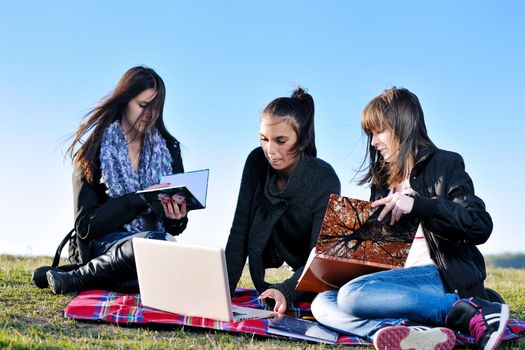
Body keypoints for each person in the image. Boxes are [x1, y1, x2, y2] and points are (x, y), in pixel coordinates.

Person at [311, 87, 509, 350]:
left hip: (441, 276)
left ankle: (465, 309)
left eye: (378, 131)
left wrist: (419, 205)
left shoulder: (445, 164)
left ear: (403, 126)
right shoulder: (382, 181)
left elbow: (479, 224)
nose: (373, 142)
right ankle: (401, 332)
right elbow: (381, 249)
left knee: (350, 297)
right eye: (371, 134)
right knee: (322, 302)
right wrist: (333, 255)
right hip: (399, 281)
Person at [46, 66, 189, 294]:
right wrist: (141, 199)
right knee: (149, 247)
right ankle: (79, 276)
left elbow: (176, 227)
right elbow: (86, 226)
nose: (150, 115)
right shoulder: (93, 151)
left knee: (174, 259)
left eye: (156, 108)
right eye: (143, 106)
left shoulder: (169, 149)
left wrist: (176, 219)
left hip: (157, 243)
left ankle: (79, 276)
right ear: (124, 101)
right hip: (106, 244)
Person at [225, 87, 341, 314]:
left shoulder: (325, 178)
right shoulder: (256, 162)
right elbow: (239, 232)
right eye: (264, 139)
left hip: (317, 270)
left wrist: (286, 290)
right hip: (283, 259)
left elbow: (320, 256)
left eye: (281, 140)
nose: (270, 150)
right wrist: (223, 292)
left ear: (301, 137)